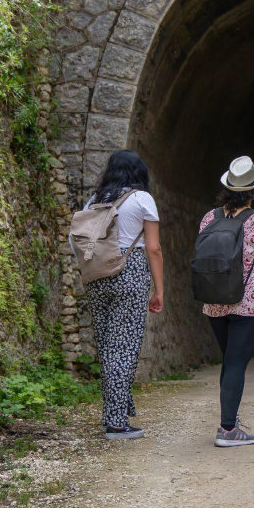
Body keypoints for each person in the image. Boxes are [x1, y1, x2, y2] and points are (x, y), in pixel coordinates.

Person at [84, 150, 165, 440]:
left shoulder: (94, 200)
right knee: (124, 348)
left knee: (107, 347)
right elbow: (153, 249)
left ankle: (115, 411)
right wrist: (159, 289)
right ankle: (117, 423)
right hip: (129, 273)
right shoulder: (142, 199)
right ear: (139, 172)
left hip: (96, 275)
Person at [199, 156, 254, 447]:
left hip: (215, 300)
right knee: (235, 363)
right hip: (248, 300)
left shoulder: (209, 218)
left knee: (229, 361)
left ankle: (228, 420)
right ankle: (228, 429)